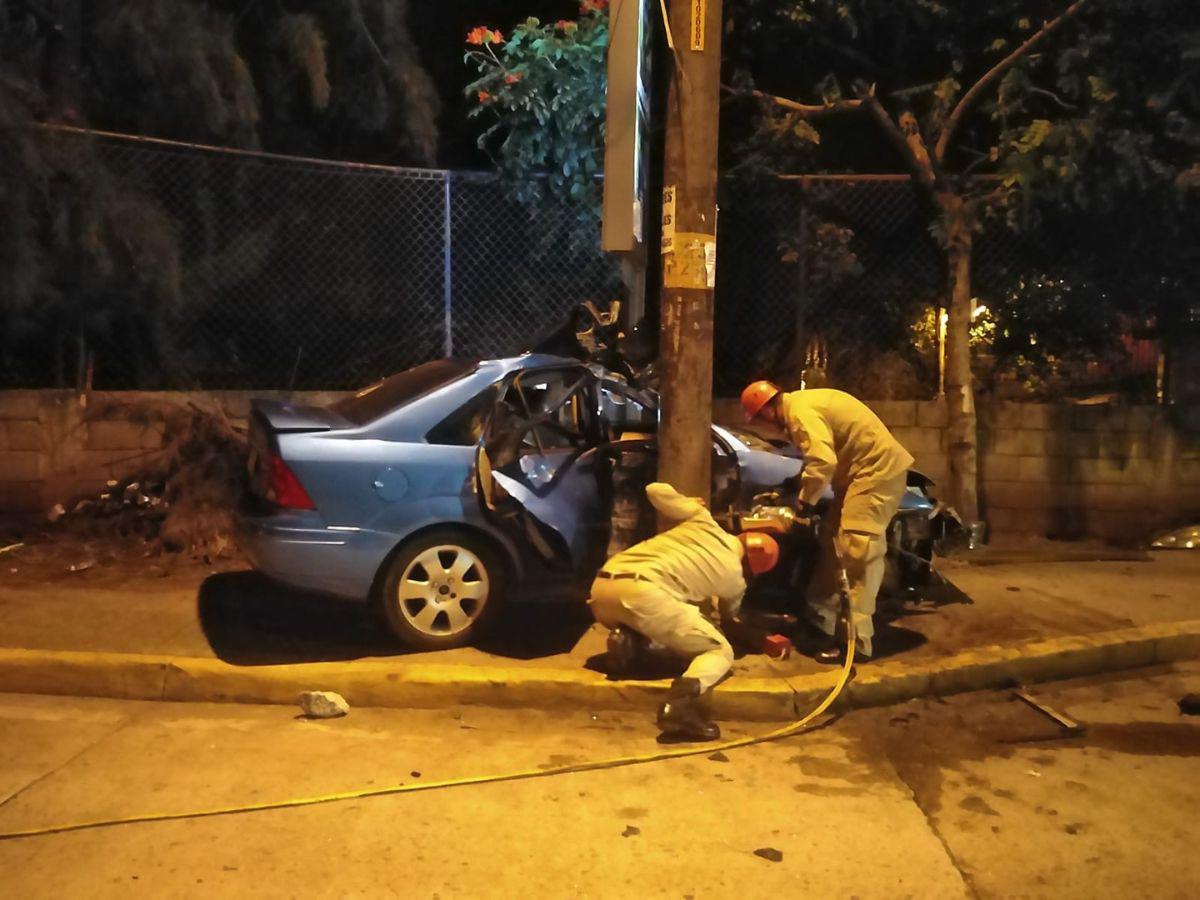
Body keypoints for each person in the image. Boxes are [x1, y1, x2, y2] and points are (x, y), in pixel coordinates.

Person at [588, 482, 780, 742]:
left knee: (664, 615)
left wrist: (689, 501)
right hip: (644, 594)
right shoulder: (735, 578)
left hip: (602, 590)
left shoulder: (703, 520)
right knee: (718, 649)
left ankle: (628, 640)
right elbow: (729, 617)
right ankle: (679, 708)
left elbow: (654, 490)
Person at [740, 381, 914, 662]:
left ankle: (855, 643)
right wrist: (796, 483)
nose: (767, 428)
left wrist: (804, 505)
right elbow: (821, 459)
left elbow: (822, 462)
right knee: (831, 543)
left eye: (761, 421)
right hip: (858, 476)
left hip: (875, 475)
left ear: (767, 411)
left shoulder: (799, 413)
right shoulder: (802, 406)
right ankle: (821, 623)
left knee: (857, 551)